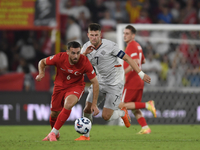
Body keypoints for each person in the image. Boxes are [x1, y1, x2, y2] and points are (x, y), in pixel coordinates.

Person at [75, 23, 152, 141]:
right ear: (88, 35)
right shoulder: (85, 47)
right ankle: (86, 136)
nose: (94, 38)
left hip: (115, 83)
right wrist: (84, 54)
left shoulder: (111, 46)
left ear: (100, 34)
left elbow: (127, 58)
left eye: (96, 35)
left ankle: (122, 113)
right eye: (92, 35)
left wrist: (141, 74)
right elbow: (77, 66)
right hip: (99, 81)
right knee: (87, 108)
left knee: (106, 116)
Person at [35, 41, 99, 141]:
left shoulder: (85, 62)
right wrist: (41, 73)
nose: (76, 56)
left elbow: (95, 82)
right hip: (59, 86)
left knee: (68, 104)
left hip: (76, 87)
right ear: (67, 52)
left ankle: (52, 133)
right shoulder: (60, 57)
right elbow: (42, 62)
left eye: (78, 53)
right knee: (54, 114)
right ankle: (55, 133)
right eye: (73, 53)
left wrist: (94, 104)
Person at [119, 25, 157, 135]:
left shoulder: (131, 45)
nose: (124, 35)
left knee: (122, 105)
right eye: (124, 33)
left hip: (132, 80)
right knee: (135, 107)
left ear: (133, 35)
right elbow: (142, 61)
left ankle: (148, 104)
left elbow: (135, 62)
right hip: (138, 80)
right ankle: (145, 128)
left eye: (127, 34)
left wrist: (123, 72)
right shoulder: (138, 46)